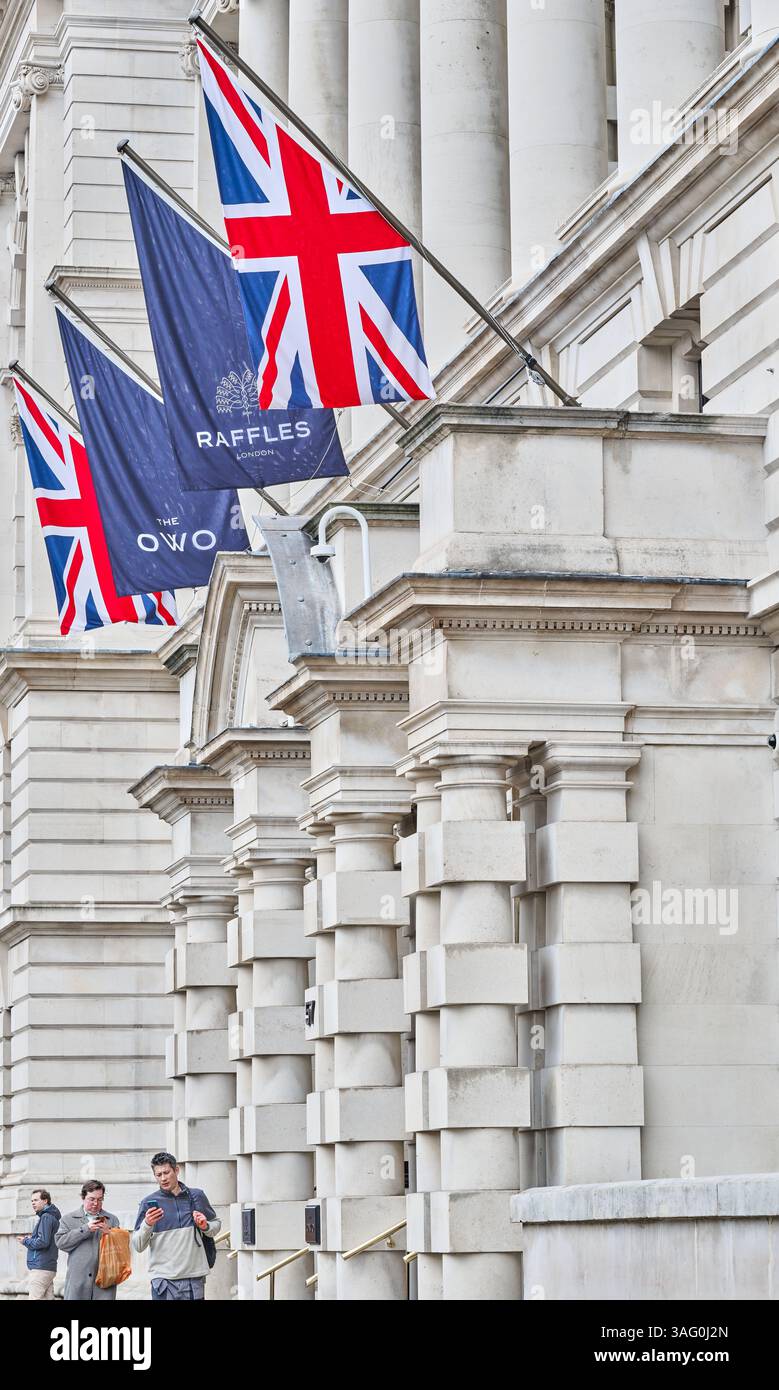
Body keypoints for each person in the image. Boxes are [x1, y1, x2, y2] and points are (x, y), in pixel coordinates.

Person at [132, 1151, 220, 1301]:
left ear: (176, 1170)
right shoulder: (148, 1203)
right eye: (158, 1175)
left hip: (194, 1278)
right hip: (163, 1281)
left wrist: (205, 1225)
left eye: (166, 1172)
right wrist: (147, 1224)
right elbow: (138, 1245)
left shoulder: (196, 1196)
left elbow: (216, 1226)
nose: (163, 1178)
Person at [55, 1179, 120, 1301]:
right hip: (78, 1284)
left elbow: (121, 1249)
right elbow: (61, 1242)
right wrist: (85, 1229)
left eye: (100, 1199)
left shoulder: (112, 1220)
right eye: (92, 1199)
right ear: (83, 1197)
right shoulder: (68, 1219)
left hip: (104, 1284)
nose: (96, 1203)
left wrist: (110, 1233)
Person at [17, 1188, 61, 1300]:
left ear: (45, 1200)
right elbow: (45, 1239)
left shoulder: (46, 1217)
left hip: (41, 1267)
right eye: (32, 1201)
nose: (33, 1203)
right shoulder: (50, 1217)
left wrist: (25, 1241)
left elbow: (43, 1242)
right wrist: (32, 1238)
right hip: (48, 1266)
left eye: (36, 1200)